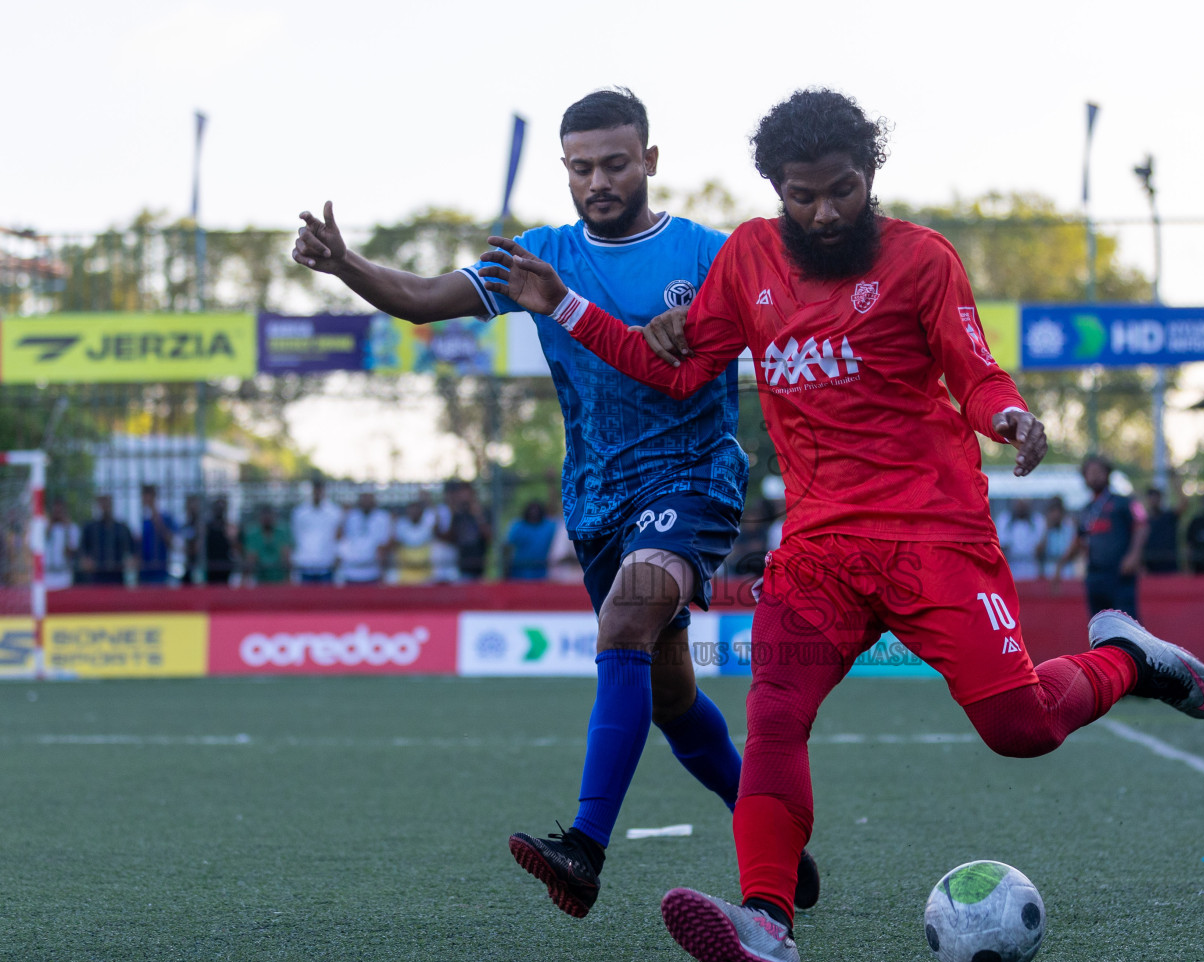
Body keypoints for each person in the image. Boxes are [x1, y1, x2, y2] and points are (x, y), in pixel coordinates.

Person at [482, 87, 1204, 962]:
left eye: (844, 189)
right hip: (821, 552)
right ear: (776, 190)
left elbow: (976, 373)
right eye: (804, 195)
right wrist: (563, 307)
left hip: (933, 538)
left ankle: (1131, 662)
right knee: (775, 714)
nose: (827, 212)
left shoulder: (921, 261)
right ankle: (765, 919)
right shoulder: (748, 258)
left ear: (871, 175)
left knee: (1019, 727)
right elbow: (670, 373)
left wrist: (1014, 417)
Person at [291, 88, 813, 920]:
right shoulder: (539, 255)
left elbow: (788, 333)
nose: (598, 180)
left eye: (614, 163)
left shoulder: (709, 255)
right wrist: (348, 264)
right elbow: (425, 299)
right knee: (672, 693)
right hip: (597, 501)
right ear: (565, 170)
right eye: (582, 167)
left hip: (693, 480)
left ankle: (585, 850)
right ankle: (774, 833)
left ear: (649, 160)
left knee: (626, 624)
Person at [1056, 456, 1147, 619]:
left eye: (1099, 472)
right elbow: (1078, 539)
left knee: (1127, 624)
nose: (1095, 476)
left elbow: (1142, 525)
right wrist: (1060, 566)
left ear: (1108, 474)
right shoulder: (1085, 510)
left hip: (1120, 574)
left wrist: (1134, 555)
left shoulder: (1125, 502)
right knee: (1100, 624)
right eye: (1090, 472)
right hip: (1095, 576)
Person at [291, 478, 343, 584]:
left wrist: (337, 555)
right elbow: (296, 536)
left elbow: (338, 537)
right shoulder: (299, 513)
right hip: (305, 565)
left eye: (320, 489)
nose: (317, 493)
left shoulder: (335, 512)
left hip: (327, 565)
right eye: (315, 489)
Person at [337, 488, 393, 585]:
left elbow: (385, 544)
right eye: (364, 498)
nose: (366, 501)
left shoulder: (383, 518)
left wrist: (383, 571)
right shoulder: (350, 516)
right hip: (351, 571)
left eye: (369, 498)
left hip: (373, 571)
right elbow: (340, 538)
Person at [77, 494, 134, 585]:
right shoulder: (90, 528)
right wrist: (85, 561)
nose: (105, 505)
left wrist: (129, 562)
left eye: (107, 501)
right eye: (102, 502)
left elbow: (132, 552)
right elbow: (82, 551)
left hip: (117, 576)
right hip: (96, 577)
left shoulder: (122, 528)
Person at [443, 482, 491, 582]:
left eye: (466, 492)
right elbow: (451, 538)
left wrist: (478, 515)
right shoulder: (457, 514)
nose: (464, 495)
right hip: (461, 567)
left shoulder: (483, 511)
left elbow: (489, 537)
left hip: (480, 567)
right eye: (461, 492)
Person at [504, 501, 558, 580]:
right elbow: (508, 545)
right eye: (532, 510)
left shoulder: (550, 526)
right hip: (519, 570)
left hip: (543, 570)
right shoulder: (518, 526)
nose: (534, 513)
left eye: (536, 510)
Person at [391, 493, 438, 585]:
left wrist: (428, 502)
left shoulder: (427, 527)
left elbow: (435, 519)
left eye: (417, 510)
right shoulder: (401, 526)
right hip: (405, 575)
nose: (414, 512)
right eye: (411, 510)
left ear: (421, 512)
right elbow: (394, 542)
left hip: (425, 575)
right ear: (407, 512)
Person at [136, 484, 177, 585]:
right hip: (143, 573)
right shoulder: (141, 520)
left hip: (160, 573)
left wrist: (156, 518)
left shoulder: (165, 517)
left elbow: (171, 542)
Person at [241, 504, 292, 585]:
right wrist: (245, 581)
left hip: (279, 577)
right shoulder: (253, 534)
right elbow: (250, 558)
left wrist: (288, 579)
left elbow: (286, 556)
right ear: (260, 518)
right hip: (260, 578)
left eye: (270, 516)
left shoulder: (282, 533)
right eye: (264, 516)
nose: (267, 519)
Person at [1141, 486, 1182, 575]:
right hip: (1149, 568)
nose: (1154, 500)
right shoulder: (1143, 521)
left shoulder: (1169, 516)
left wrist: (1175, 480)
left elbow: (1184, 503)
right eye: (1151, 497)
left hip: (1170, 566)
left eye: (1156, 497)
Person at [1035, 495, 1077, 580]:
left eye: (1058, 511)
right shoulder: (1042, 526)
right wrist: (1047, 530)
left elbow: (1072, 550)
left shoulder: (1069, 526)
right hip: (1048, 568)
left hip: (1066, 568)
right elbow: (1038, 552)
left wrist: (1060, 566)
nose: (1056, 515)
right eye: (1052, 511)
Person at [999, 498, 1041, 580]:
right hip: (1012, 565)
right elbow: (1002, 545)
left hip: (1031, 566)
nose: (1021, 504)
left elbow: (1039, 548)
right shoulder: (1004, 519)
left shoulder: (1037, 520)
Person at [43, 498, 79, 590]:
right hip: (46, 573)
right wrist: (48, 529)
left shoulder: (72, 528)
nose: (57, 513)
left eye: (60, 510)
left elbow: (72, 551)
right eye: (55, 510)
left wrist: (67, 530)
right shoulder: (44, 528)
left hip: (64, 573)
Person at [203, 495, 238, 585]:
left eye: (222, 507)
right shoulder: (206, 527)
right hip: (210, 565)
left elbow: (235, 547)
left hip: (225, 565)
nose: (219, 509)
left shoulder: (229, 526)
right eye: (217, 507)